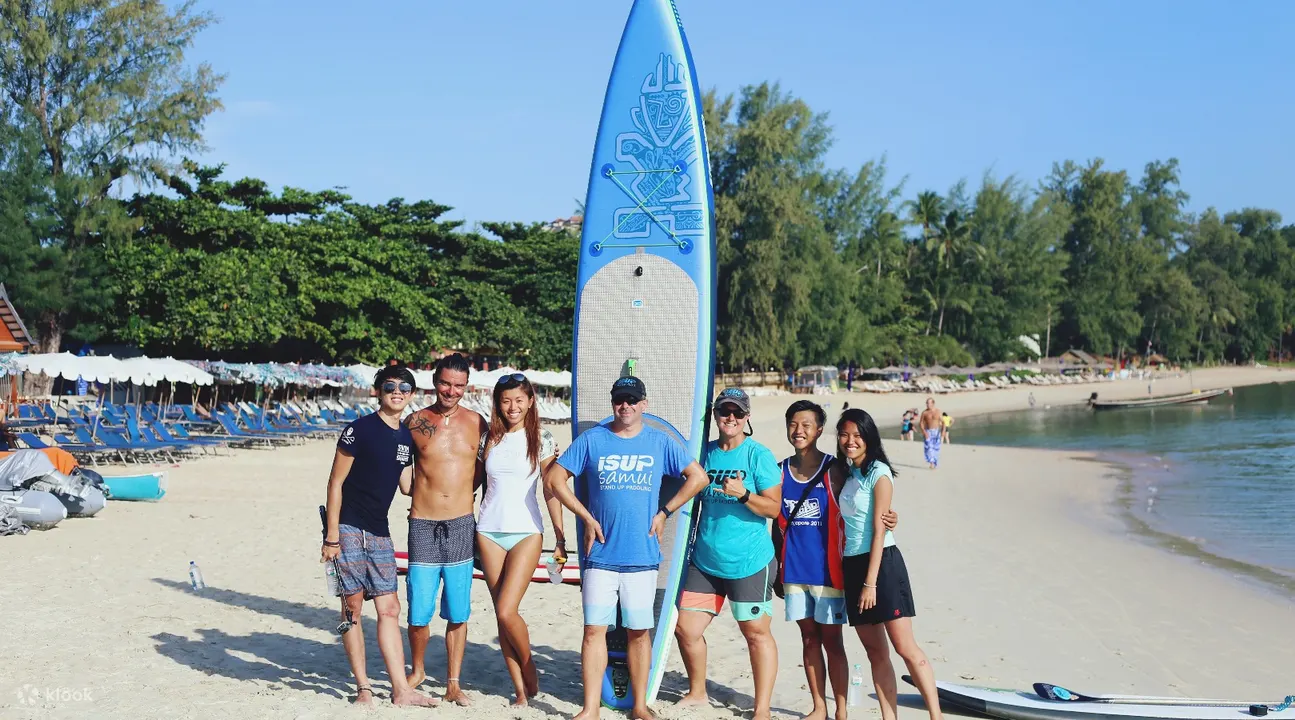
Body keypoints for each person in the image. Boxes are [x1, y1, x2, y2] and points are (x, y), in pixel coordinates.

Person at [544, 376, 710, 720]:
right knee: (594, 632)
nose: (626, 406)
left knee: (638, 632)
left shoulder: (659, 443)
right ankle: (590, 708)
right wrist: (586, 517)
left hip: (642, 557)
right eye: (620, 399)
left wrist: (665, 512)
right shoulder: (592, 440)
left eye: (633, 400)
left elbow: (699, 477)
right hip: (601, 557)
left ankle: (638, 706)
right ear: (612, 403)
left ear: (644, 405)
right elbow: (554, 480)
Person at [320, 366, 437, 707]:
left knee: (390, 608)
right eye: (390, 386)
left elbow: (406, 487)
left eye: (404, 387)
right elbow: (335, 483)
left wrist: (446, 483)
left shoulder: (406, 439)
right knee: (352, 607)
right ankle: (363, 688)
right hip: (348, 527)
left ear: (412, 395)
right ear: (378, 391)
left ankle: (401, 690)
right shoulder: (359, 430)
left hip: (380, 531)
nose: (397, 391)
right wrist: (331, 536)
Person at [774, 400, 897, 720]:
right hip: (795, 572)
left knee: (832, 641)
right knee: (808, 639)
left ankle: (841, 710)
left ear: (818, 431)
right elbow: (770, 518)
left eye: (806, 425)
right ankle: (819, 707)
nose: (798, 431)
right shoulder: (780, 470)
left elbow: (865, 505)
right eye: (793, 424)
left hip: (830, 572)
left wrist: (891, 518)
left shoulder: (836, 470)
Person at [675, 388, 781, 720]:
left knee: (755, 633)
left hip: (749, 562)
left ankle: (761, 708)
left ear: (747, 417)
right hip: (705, 561)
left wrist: (744, 493)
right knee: (686, 629)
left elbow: (774, 509)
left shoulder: (757, 456)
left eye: (737, 413)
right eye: (724, 412)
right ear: (716, 416)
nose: (730, 418)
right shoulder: (703, 455)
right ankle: (698, 692)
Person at [837, 409, 942, 720]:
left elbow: (880, 527)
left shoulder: (878, 473)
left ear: (870, 438)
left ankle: (936, 715)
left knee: (904, 647)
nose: (850, 441)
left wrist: (870, 583)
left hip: (881, 565)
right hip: (853, 565)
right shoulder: (847, 473)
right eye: (845, 435)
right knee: (876, 653)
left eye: (857, 435)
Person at [403, 353, 487, 706]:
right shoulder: (415, 421)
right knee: (418, 608)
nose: (451, 391)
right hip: (422, 522)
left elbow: (491, 465)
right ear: (434, 381)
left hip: (460, 524)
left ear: (466, 385)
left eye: (458, 385)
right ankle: (419, 669)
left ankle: (453, 682)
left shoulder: (478, 423)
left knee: (458, 609)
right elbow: (395, 460)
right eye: (445, 383)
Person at [476, 373, 565, 706]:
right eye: (505, 400)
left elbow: (551, 487)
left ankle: (529, 668)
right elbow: (476, 483)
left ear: (530, 401)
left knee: (506, 609)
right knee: (502, 615)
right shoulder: (489, 439)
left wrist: (559, 535)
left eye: (518, 400)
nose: (512, 407)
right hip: (488, 530)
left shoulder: (541, 438)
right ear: (498, 403)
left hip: (527, 530)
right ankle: (519, 691)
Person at [918, 398, 942, 470]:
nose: (927, 405)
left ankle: (935, 462)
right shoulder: (924, 413)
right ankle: (931, 463)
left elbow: (943, 422)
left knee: (936, 447)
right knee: (928, 447)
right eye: (927, 403)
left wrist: (943, 432)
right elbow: (921, 423)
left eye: (929, 403)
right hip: (928, 431)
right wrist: (924, 432)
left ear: (933, 403)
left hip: (936, 431)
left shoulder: (938, 411)